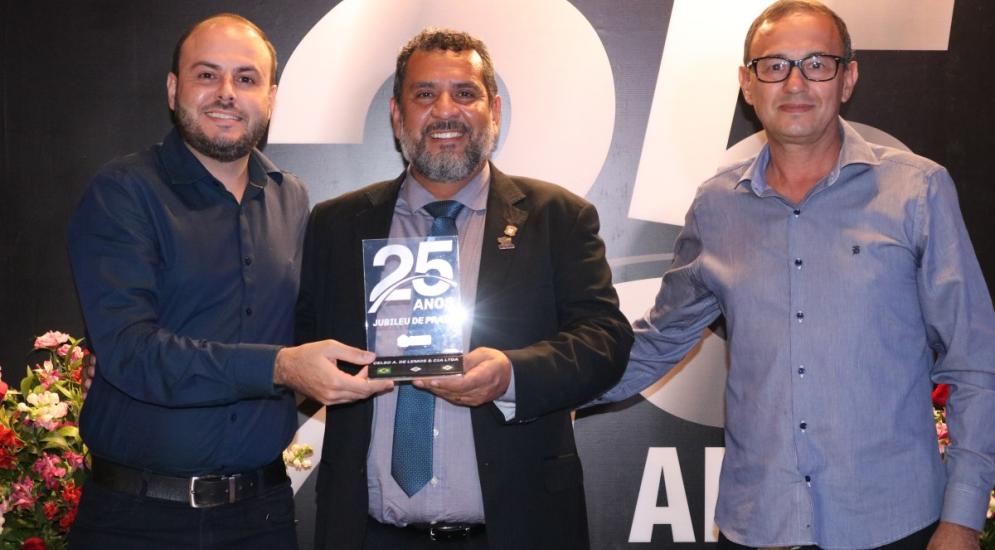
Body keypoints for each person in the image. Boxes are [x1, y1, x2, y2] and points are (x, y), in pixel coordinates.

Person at [597, 1, 995, 548]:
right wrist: (539, 386)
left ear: (848, 78)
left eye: (817, 63)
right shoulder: (716, 207)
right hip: (759, 523)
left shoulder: (917, 191)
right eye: (775, 65)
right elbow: (657, 342)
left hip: (895, 524)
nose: (795, 82)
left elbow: (975, 363)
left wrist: (963, 518)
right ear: (747, 84)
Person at [296, 28, 633, 550]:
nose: (445, 110)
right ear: (396, 114)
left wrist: (511, 375)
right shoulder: (336, 224)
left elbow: (606, 341)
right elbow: (303, 344)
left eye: (465, 93)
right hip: (366, 535)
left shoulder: (558, 218)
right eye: (424, 94)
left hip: (516, 532)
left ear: (493, 110)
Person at [67, 13, 391, 549]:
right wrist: (280, 366)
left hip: (262, 516)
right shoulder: (124, 192)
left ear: (271, 97)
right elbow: (130, 350)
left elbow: (305, 324)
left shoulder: (292, 198)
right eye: (206, 74)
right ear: (173, 89)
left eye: (246, 78)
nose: (226, 93)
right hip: (138, 520)